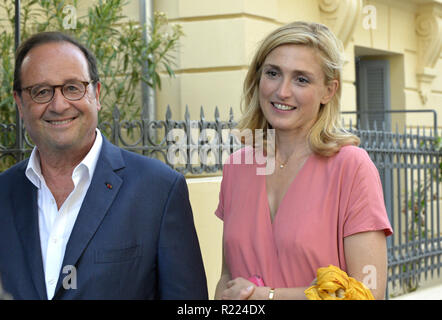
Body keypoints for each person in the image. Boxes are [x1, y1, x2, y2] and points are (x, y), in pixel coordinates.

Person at [0, 31, 208, 300]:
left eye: (73, 87)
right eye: (41, 92)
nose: (59, 104)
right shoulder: (4, 194)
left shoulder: (158, 191)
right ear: (19, 103)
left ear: (96, 94)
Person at [214, 21, 393, 300]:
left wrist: (267, 296)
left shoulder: (351, 167)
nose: (282, 91)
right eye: (273, 73)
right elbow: (227, 277)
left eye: (301, 79)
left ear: (328, 91)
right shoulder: (237, 167)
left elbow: (367, 292)